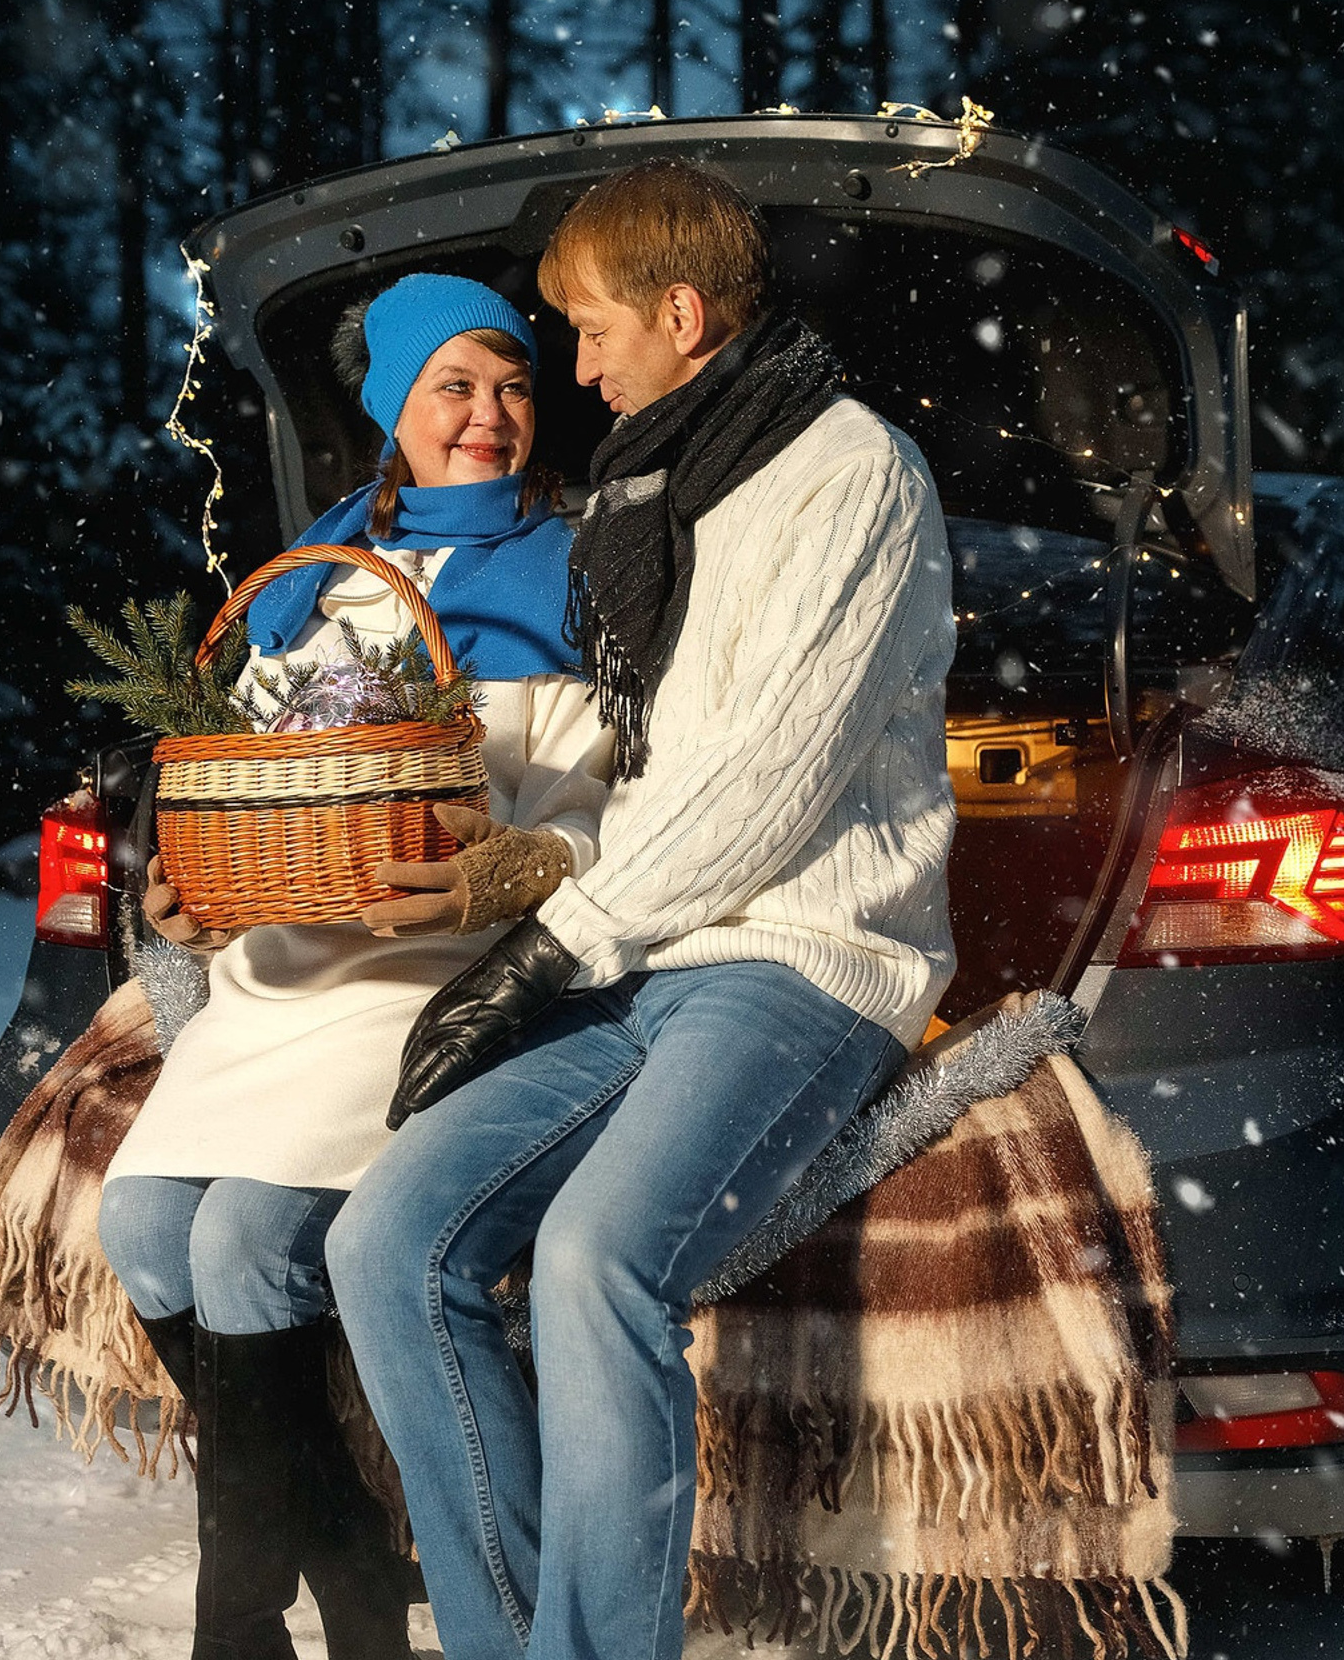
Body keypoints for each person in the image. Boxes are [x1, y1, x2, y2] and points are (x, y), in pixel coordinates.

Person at [326, 161, 959, 1660]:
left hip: (805, 956)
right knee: (387, 1241)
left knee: (599, 1259)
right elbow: (641, 775)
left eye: (592, 331)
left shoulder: (848, 472)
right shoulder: (662, 484)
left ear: (681, 315)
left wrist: (553, 951)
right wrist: (548, 908)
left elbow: (767, 787)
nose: (576, 366)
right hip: (655, 952)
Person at [96, 273, 614, 1660]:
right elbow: (240, 791)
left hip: (427, 970)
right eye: (455, 386)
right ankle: (353, 1571)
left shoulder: (572, 568)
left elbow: (591, 819)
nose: (491, 416)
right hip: (280, 964)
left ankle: (244, 1624)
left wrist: (509, 863)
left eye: (512, 385)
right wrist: (188, 893)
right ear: (394, 407)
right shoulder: (311, 581)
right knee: (142, 1230)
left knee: (247, 1242)